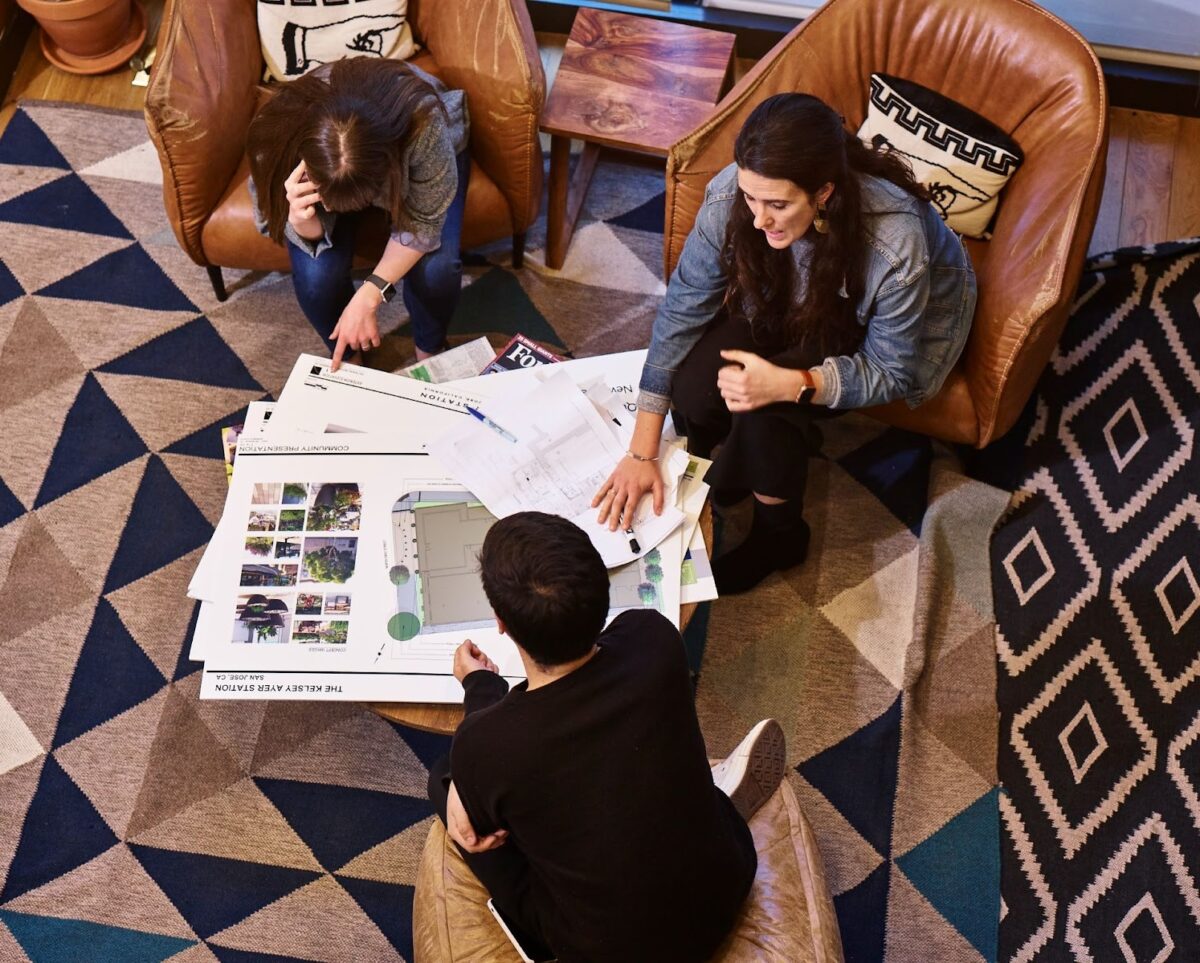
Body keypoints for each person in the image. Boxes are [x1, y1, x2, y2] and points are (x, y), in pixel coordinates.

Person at [593, 93, 978, 594]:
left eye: (777, 204)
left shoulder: (893, 241)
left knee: (765, 413)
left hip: (880, 328)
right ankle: (724, 471)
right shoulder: (734, 193)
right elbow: (683, 306)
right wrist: (642, 452)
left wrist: (793, 382)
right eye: (751, 199)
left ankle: (782, 535)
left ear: (824, 192)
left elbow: (892, 368)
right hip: (794, 293)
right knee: (694, 385)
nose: (757, 219)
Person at [426, 512, 786, 963]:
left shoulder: (487, 744)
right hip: (728, 880)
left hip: (606, 950)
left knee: (443, 778)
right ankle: (708, 798)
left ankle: (536, 943)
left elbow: (481, 759)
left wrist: (480, 687)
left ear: (501, 622)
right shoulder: (654, 636)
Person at [246, 56, 469, 371]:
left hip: (413, 148)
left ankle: (429, 349)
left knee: (438, 269)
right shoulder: (275, 135)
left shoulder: (423, 125)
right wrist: (301, 220)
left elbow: (424, 222)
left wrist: (371, 292)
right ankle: (347, 357)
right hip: (331, 155)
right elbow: (270, 220)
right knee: (315, 277)